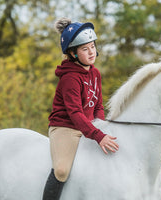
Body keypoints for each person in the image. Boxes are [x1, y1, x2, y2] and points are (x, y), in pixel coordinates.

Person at [42, 17, 119, 200]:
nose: (91, 52)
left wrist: (100, 127)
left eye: (92, 46)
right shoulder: (70, 78)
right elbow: (75, 113)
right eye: (85, 49)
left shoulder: (95, 73)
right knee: (61, 170)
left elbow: (98, 105)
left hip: (88, 125)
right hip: (65, 127)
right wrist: (98, 135)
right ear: (73, 53)